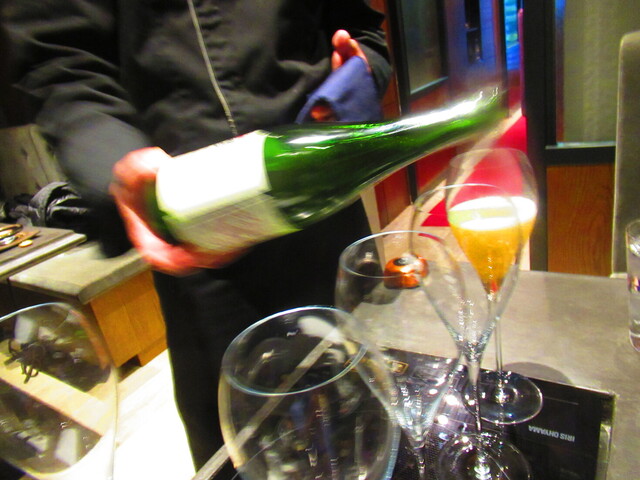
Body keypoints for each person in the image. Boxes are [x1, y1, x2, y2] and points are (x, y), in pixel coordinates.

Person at [1, 1, 392, 476]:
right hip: (201, 246)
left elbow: (363, 29)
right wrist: (113, 158)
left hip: (329, 210)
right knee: (245, 456)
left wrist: (357, 76)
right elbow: (62, 67)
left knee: (370, 431)